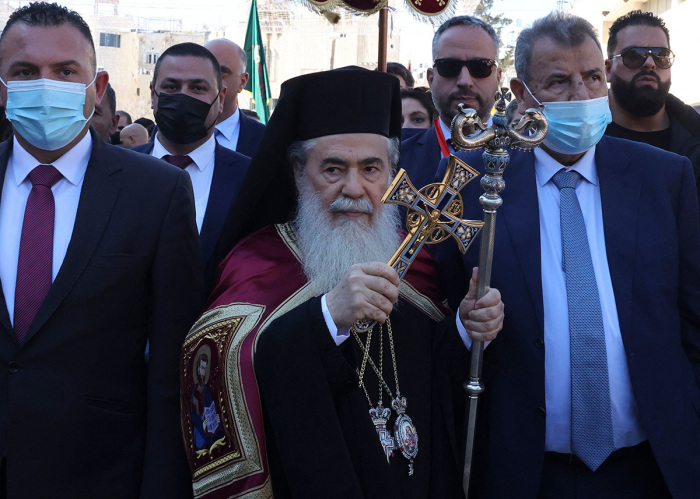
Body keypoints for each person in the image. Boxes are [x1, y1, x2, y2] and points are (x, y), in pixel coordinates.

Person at [180, 66, 504, 498]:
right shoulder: (256, 261)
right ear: (298, 172)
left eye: (371, 169)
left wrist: (465, 328)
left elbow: (432, 378)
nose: (355, 188)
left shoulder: (414, 261)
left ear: (392, 172)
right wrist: (327, 318)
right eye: (333, 169)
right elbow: (216, 369)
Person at [434, 11, 700, 498]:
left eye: (593, 77)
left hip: (654, 466)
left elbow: (693, 314)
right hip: (529, 471)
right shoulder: (475, 183)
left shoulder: (664, 178)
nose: (581, 96)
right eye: (559, 82)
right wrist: (467, 326)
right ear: (521, 93)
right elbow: (440, 316)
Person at [0, 3, 203, 497]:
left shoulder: (157, 193)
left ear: (97, 85)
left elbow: (171, 370)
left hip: (101, 472)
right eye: (25, 72)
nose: (46, 85)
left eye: (65, 71)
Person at [131, 42, 250, 290]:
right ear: (153, 94)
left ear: (221, 98)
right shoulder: (114, 171)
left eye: (198, 88)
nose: (183, 97)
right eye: (172, 87)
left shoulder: (251, 179)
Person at [604, 10, 700, 209]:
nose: (649, 63)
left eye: (661, 55)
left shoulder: (695, 135)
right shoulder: (580, 137)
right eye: (633, 55)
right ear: (607, 69)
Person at [400, 15, 501, 191]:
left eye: (480, 67)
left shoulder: (527, 157)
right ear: (431, 79)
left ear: (498, 78)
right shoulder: (395, 160)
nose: (464, 81)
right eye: (449, 67)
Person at [204, 38, 266, 157]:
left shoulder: (268, 140)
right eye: (203, 70)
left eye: (221, 72)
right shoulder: (167, 134)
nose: (208, 79)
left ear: (242, 82)